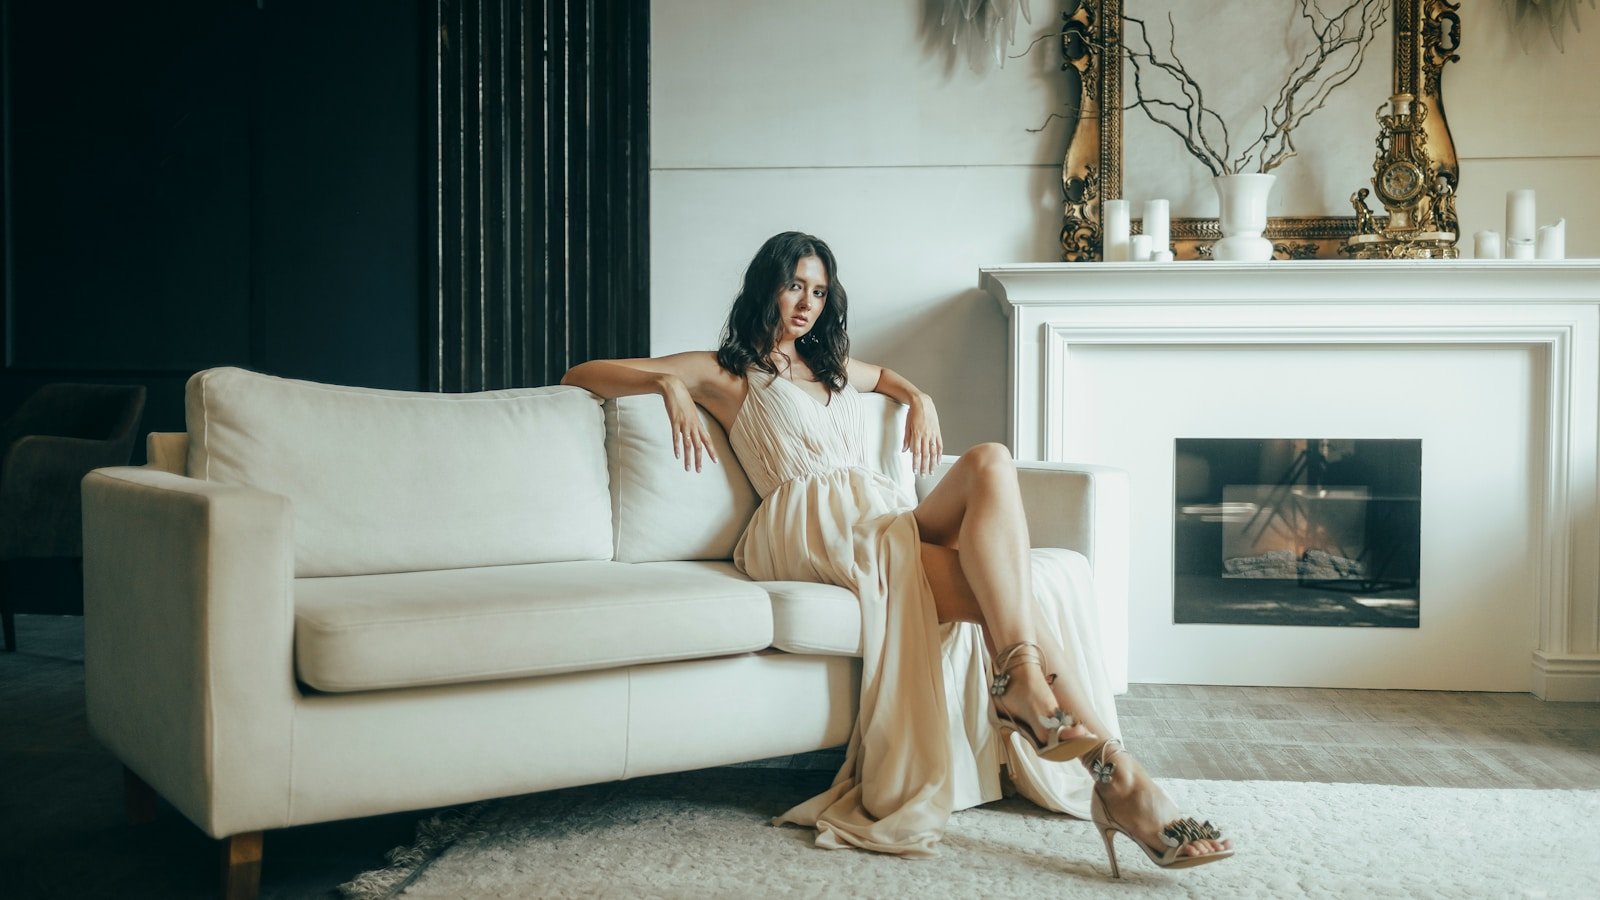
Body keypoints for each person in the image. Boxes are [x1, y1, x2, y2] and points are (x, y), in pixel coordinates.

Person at [562, 231, 1232, 876]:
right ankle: (1125, 784)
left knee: (990, 460)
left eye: (819, 292)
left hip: (880, 512)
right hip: (810, 525)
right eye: (793, 286)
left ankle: (1030, 691)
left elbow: (883, 375)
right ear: (765, 288)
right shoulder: (724, 371)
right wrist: (665, 385)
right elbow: (582, 373)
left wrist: (918, 396)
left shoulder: (831, 370)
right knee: (1013, 592)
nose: (805, 303)